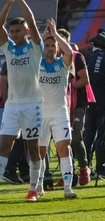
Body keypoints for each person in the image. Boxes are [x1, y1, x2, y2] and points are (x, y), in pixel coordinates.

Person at [0, 0, 43, 202]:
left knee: (32, 150)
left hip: (33, 104)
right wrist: (8, 4)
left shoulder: (35, 47)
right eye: (12, 31)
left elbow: (33, 23)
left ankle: (33, 190)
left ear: (25, 32)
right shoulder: (9, 48)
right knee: (5, 144)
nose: (13, 34)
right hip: (13, 105)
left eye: (18, 31)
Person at [36, 19, 77, 199]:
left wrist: (56, 34)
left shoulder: (63, 63)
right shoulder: (37, 63)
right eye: (47, 45)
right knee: (40, 152)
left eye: (53, 45)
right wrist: (45, 36)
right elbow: (34, 49)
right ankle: (37, 186)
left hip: (60, 113)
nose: (51, 48)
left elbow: (69, 53)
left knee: (63, 147)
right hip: (40, 114)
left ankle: (67, 187)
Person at [57, 28, 94, 186]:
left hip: (78, 103)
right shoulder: (52, 59)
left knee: (77, 136)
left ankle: (84, 168)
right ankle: (67, 175)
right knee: (61, 139)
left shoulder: (77, 57)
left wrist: (68, 87)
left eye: (61, 40)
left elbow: (85, 79)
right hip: (59, 104)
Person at [84, 32, 105, 178]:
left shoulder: (90, 59)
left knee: (89, 135)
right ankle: (101, 169)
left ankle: (85, 167)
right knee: (102, 136)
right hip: (103, 103)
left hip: (90, 102)